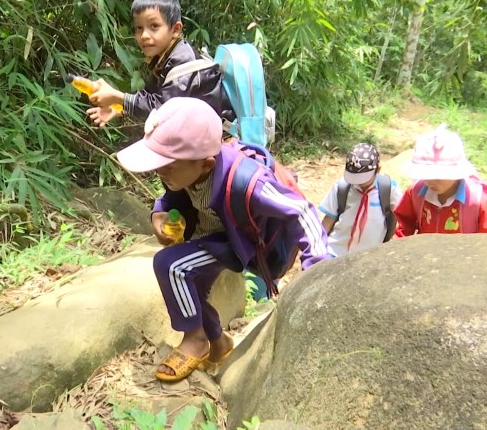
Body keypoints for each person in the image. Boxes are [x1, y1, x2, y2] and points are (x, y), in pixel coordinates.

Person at [116, 97, 329, 381]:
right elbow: (170, 195)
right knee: (189, 291)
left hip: (234, 242)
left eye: (166, 166)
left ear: (205, 165)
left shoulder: (248, 182)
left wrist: (318, 266)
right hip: (210, 235)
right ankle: (219, 343)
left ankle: (195, 339)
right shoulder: (185, 172)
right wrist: (160, 213)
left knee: (170, 265)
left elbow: (300, 209)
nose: (159, 171)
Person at [86, 0, 230, 127]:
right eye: (139, 28)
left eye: (154, 26)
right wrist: (119, 108)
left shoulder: (183, 62)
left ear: (175, 29)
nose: (144, 36)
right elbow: (150, 95)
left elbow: (163, 110)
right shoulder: (164, 56)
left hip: (217, 139)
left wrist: (118, 97)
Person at [394, 125, 487, 235]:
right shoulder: (414, 193)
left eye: (438, 176)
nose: (430, 182)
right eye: (426, 175)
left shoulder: (480, 202)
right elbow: (403, 229)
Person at [319, 143, 402, 257]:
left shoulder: (389, 189)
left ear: (377, 169)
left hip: (369, 257)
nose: (359, 182)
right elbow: (328, 220)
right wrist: (318, 246)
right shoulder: (342, 187)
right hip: (336, 251)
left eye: (363, 178)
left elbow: (403, 218)